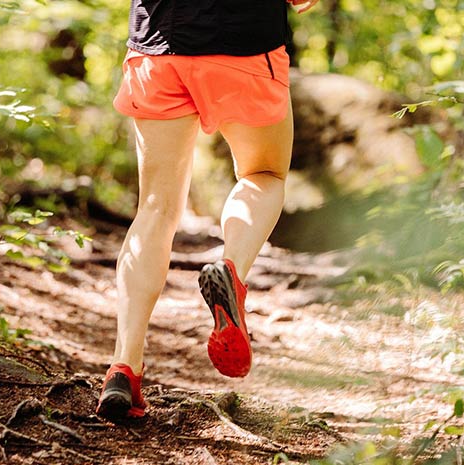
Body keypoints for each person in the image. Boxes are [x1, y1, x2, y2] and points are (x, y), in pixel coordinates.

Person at [96, 0, 321, 420]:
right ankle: (231, 273)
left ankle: (124, 367)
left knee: (156, 208)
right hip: (246, 44)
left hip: (157, 46)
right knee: (264, 173)